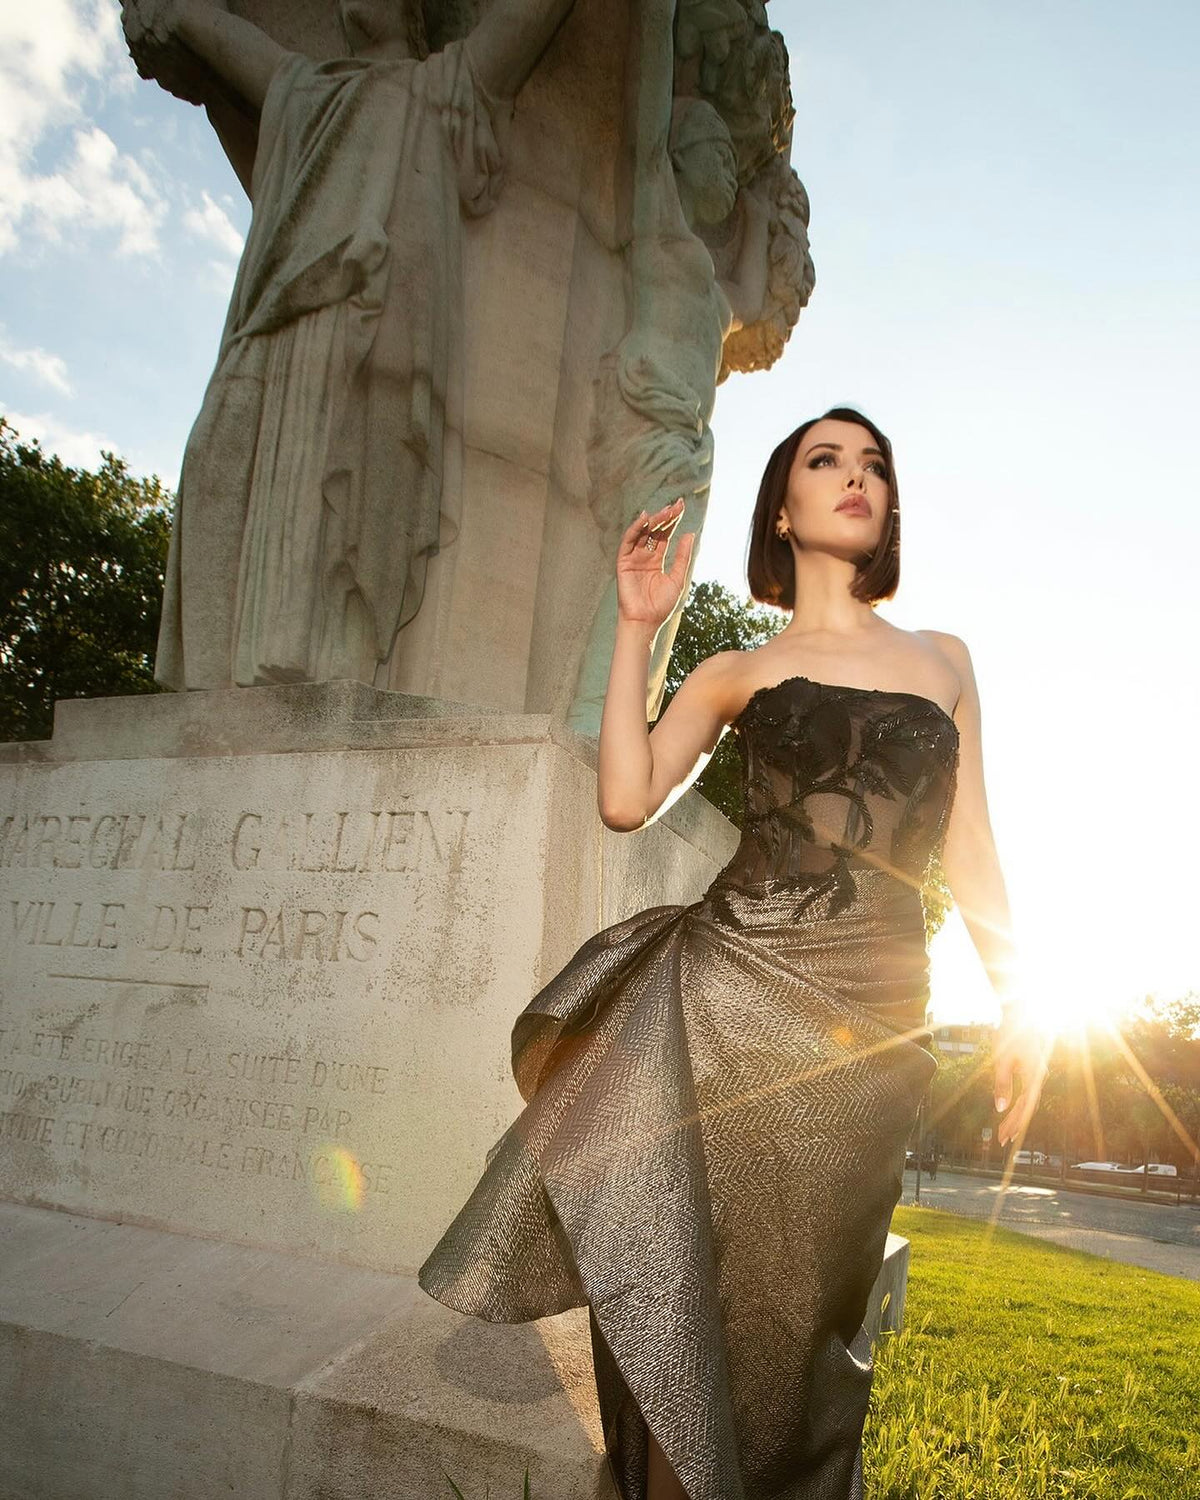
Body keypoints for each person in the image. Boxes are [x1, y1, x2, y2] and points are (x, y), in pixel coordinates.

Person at [419, 407, 1049, 1499]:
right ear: (783, 507)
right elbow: (624, 797)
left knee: (804, 1333)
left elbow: (977, 852)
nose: (857, 478)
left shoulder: (946, 660)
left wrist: (1023, 1009)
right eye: (826, 461)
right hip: (722, 1008)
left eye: (875, 466)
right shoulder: (734, 670)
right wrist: (637, 624)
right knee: (685, 1310)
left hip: (873, 1041)